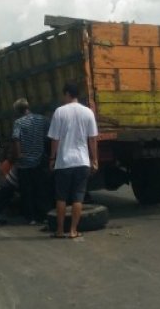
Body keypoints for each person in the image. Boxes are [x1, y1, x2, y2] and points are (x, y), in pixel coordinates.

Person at [47, 83, 98, 239]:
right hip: (82, 161)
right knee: (78, 197)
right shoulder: (88, 112)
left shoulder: (59, 112)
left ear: (67, 94)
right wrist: (94, 159)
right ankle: (73, 231)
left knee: (61, 197)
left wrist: (52, 158)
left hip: (64, 162)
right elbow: (92, 139)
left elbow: (55, 139)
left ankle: (60, 230)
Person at [12, 98, 50, 225]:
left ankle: (31, 217)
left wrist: (19, 155)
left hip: (25, 163)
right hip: (40, 160)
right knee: (42, 189)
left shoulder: (18, 123)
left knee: (28, 191)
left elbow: (16, 139)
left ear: (18, 111)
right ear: (28, 107)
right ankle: (44, 215)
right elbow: (48, 136)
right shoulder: (42, 119)